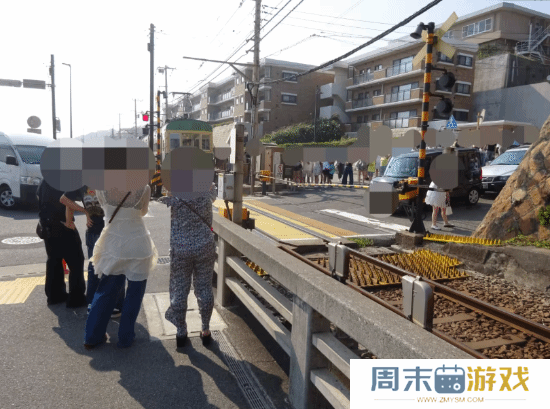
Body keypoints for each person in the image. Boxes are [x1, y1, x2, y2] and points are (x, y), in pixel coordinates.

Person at [84, 185, 158, 349]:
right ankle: (126, 337)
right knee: (134, 294)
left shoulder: (102, 186)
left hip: (114, 244)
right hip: (138, 243)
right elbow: (143, 212)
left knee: (105, 291)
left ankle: (92, 337)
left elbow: (103, 208)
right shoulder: (143, 187)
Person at [158, 183, 217, 349]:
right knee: (204, 288)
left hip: (181, 248)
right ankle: (205, 329)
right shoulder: (208, 188)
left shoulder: (175, 190)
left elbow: (165, 194)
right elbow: (213, 195)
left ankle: (181, 332)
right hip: (205, 246)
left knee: (179, 288)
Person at [36, 179, 89, 307]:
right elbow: (67, 201)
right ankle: (76, 298)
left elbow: (38, 196)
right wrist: (79, 214)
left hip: (46, 225)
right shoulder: (65, 180)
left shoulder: (45, 180)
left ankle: (55, 295)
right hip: (63, 224)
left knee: (54, 260)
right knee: (76, 261)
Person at [80, 188, 125, 317]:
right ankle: (116, 305)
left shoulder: (83, 184)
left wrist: (85, 211)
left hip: (93, 231)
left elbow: (64, 199)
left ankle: (92, 304)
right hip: (111, 231)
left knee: (94, 267)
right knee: (115, 267)